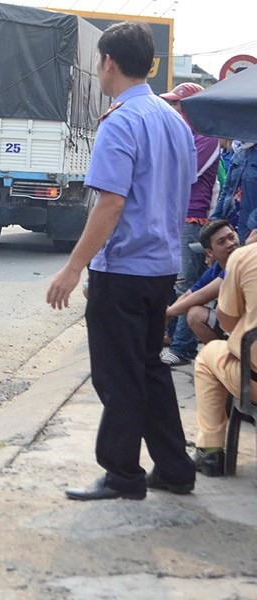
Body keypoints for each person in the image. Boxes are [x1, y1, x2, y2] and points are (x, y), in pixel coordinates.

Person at [46, 22, 197, 500]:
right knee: (149, 367)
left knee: (118, 375)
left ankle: (123, 475)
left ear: (108, 62)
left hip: (125, 270)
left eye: (98, 62)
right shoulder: (174, 120)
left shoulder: (121, 122)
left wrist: (73, 268)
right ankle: (174, 468)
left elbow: (109, 204)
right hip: (162, 267)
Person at [158, 82, 220, 368]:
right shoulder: (181, 134)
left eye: (179, 104)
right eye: (172, 104)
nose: (175, 109)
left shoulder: (206, 136)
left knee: (187, 284)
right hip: (173, 216)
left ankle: (182, 348)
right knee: (172, 279)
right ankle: (171, 336)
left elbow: (184, 171)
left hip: (192, 219)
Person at [192, 240, 257, 476]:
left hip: (253, 383)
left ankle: (210, 452)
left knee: (208, 356)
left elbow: (227, 321)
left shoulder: (245, 257)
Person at [164, 220, 239, 352]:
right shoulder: (215, 269)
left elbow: (203, 295)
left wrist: (168, 312)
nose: (230, 244)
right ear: (209, 253)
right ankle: (227, 361)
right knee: (195, 314)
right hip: (240, 324)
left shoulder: (240, 263)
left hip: (251, 325)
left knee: (195, 312)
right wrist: (168, 314)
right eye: (221, 242)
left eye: (231, 237)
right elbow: (189, 294)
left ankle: (234, 361)